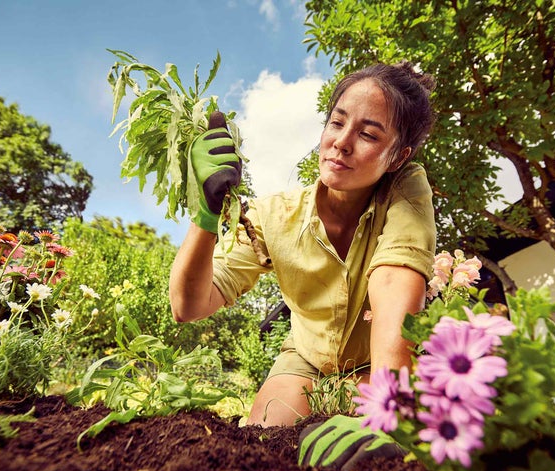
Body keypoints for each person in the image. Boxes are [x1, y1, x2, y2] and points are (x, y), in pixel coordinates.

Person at [169, 62, 437, 427]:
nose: (341, 143)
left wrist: (395, 420)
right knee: (263, 437)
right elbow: (189, 305)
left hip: (374, 361)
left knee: (369, 446)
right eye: (337, 123)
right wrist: (206, 212)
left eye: (369, 135)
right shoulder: (274, 216)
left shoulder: (405, 190)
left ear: (398, 157)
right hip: (306, 359)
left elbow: (393, 284)